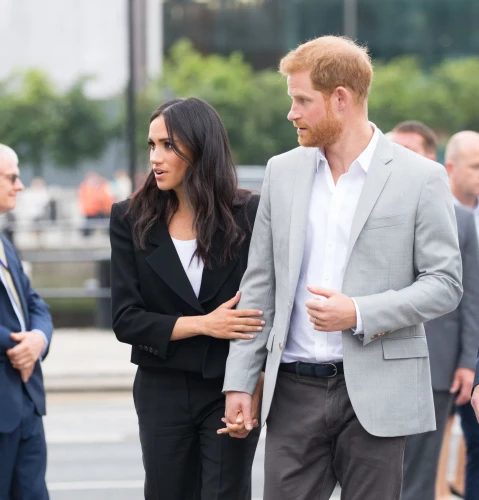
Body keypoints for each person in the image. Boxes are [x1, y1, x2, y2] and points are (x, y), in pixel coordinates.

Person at [221, 35, 463, 500]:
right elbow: (260, 286)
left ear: (340, 99)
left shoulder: (421, 177)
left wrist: (359, 312)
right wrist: (240, 380)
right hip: (292, 392)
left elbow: (445, 284)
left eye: (301, 100)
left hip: (377, 392)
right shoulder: (281, 172)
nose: (291, 112)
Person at [110, 98, 262, 500]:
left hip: (228, 386)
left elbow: (268, 309)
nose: (156, 158)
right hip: (162, 389)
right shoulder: (129, 217)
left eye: (168, 146)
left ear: (200, 147)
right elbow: (126, 319)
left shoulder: (249, 214)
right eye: (151, 146)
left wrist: (254, 388)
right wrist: (204, 324)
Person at [389, 121, 479, 500]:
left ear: (433, 161)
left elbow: (470, 296)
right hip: (377, 360)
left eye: (413, 152)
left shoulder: (459, 220)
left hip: (437, 364)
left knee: (422, 475)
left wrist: (467, 361)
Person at [0, 144, 53, 499]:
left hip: (27, 404)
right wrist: (15, 344)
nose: (19, 185)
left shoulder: (6, 242)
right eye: (11, 177)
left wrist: (38, 340)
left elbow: (36, 303)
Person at [445, 130, 479, 500]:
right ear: (451, 168)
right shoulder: (434, 211)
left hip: (472, 356)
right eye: (476, 166)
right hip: (436, 355)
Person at [78, 171, 114, 236]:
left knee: (107, 225)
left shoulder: (104, 186)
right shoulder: (86, 187)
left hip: (103, 210)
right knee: (89, 226)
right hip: (92, 210)